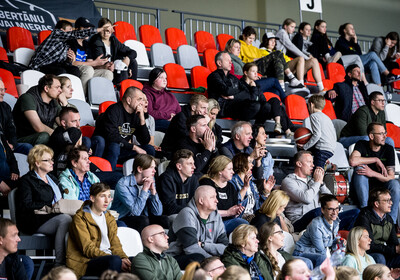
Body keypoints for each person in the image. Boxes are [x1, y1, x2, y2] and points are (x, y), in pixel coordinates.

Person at [16, 144, 72, 266]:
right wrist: (49, 205)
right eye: (47, 160)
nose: (52, 162)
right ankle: (60, 263)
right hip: (34, 220)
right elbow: (26, 205)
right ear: (37, 163)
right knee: (66, 219)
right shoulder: (26, 181)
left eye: (52, 159)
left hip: (53, 215)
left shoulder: (52, 179)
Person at [66, 183, 130, 278]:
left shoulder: (109, 218)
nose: (107, 201)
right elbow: (87, 249)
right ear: (92, 198)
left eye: (109, 196)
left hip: (109, 257)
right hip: (87, 262)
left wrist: (124, 258)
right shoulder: (80, 218)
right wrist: (115, 258)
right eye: (102, 196)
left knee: (136, 261)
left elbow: (115, 243)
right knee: (115, 260)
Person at [167, 185, 229, 269]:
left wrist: (204, 245)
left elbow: (225, 247)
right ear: (201, 201)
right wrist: (214, 262)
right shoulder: (186, 214)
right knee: (197, 259)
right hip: (177, 258)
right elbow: (191, 248)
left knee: (230, 258)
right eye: (212, 197)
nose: (217, 201)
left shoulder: (216, 216)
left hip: (208, 256)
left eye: (216, 197)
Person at [92, 86, 153, 170]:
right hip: (107, 150)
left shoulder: (136, 115)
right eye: (139, 99)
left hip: (123, 150)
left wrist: (142, 119)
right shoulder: (113, 110)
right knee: (115, 146)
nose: (142, 103)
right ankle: (110, 176)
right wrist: (134, 147)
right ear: (129, 100)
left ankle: (142, 178)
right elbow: (112, 137)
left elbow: (145, 140)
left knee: (149, 149)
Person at [349, 122, 400, 222]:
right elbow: (353, 161)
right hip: (364, 186)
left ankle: (391, 224)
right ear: (371, 136)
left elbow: (391, 177)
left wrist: (372, 173)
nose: (384, 136)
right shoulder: (361, 144)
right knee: (360, 170)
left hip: (382, 186)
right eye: (381, 134)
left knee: (395, 184)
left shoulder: (388, 149)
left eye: (385, 133)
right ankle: (366, 215)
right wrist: (376, 159)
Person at [207, 51, 272, 124]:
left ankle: (258, 127)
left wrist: (234, 96)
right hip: (222, 108)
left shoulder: (233, 77)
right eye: (227, 60)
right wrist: (238, 91)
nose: (230, 62)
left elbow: (247, 93)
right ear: (219, 63)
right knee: (255, 105)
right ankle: (244, 128)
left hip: (236, 104)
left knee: (266, 106)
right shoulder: (213, 76)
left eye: (231, 60)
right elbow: (226, 91)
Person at [29, 19, 109, 76]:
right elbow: (75, 34)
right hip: (39, 66)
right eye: (70, 29)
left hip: (53, 66)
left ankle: (75, 95)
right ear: (61, 30)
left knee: (74, 70)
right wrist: (101, 29)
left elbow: (64, 62)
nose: (71, 32)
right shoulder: (56, 34)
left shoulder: (67, 44)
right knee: (61, 71)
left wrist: (70, 60)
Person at [111, 154, 167, 233]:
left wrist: (153, 192)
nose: (154, 171)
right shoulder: (123, 184)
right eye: (151, 168)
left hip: (143, 217)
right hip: (123, 218)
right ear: (140, 169)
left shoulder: (150, 179)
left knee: (164, 219)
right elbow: (136, 212)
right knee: (143, 220)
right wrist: (145, 189)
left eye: (154, 168)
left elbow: (158, 212)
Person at [239, 27, 304, 91]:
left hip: (259, 66)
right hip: (250, 65)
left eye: (253, 39)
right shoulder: (239, 45)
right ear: (244, 36)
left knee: (278, 58)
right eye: (250, 38)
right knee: (277, 53)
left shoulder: (254, 48)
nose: (252, 40)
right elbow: (240, 61)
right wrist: (255, 59)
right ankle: (291, 78)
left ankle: (282, 87)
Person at [334, 23, 399, 86]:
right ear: (345, 30)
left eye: (353, 28)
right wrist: (354, 47)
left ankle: (378, 87)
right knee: (372, 54)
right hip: (348, 64)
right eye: (351, 28)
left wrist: (356, 42)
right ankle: (388, 74)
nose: (353, 29)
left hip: (357, 62)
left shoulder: (352, 42)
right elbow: (351, 54)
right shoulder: (340, 41)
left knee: (373, 63)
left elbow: (359, 54)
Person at [280, 151, 330, 232]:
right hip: (298, 222)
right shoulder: (288, 181)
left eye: (313, 162)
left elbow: (331, 200)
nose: (313, 165)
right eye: (309, 162)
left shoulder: (313, 180)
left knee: (355, 213)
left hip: (317, 218)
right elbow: (306, 199)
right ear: (299, 164)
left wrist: (321, 183)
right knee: (318, 212)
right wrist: (317, 182)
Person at [199, 155, 248, 235]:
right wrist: (227, 212)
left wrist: (237, 211)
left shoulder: (231, 186)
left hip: (227, 223)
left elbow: (233, 212)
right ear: (220, 171)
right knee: (241, 223)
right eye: (229, 169)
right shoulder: (206, 183)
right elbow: (205, 211)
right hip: (210, 223)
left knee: (243, 225)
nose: (233, 172)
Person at [241, 62, 294, 135]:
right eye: (253, 71)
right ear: (246, 73)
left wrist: (255, 87)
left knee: (275, 102)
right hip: (250, 111)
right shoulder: (241, 85)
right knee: (275, 107)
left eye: (256, 72)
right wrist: (253, 88)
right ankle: (288, 130)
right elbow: (251, 101)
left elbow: (263, 100)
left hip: (261, 110)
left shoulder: (256, 85)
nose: (256, 74)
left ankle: (280, 125)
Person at [354, 187, 400, 267]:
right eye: (387, 201)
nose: (391, 203)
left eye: (390, 200)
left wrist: (397, 249)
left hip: (384, 252)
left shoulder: (388, 219)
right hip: (367, 253)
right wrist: (394, 249)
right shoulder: (364, 217)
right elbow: (370, 245)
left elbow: (394, 243)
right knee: (380, 258)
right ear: (376, 204)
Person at [275, 18, 324, 92]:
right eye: (292, 27)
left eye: (294, 27)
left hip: (287, 65)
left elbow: (298, 49)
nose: (294, 29)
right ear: (285, 26)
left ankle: (321, 89)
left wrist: (308, 56)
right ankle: (300, 84)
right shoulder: (282, 32)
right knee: (300, 58)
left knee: (314, 60)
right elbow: (291, 47)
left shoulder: (288, 35)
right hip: (281, 66)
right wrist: (306, 57)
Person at [66, 17, 113, 93]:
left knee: (107, 73)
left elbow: (90, 63)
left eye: (89, 28)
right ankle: (82, 97)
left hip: (86, 70)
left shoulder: (86, 44)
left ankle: (99, 100)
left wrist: (103, 66)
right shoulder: (71, 42)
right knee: (88, 69)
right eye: (85, 27)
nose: (88, 30)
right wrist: (94, 63)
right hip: (74, 69)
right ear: (77, 28)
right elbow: (73, 63)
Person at [293, 195, 341, 267]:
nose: (335, 212)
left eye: (337, 208)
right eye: (331, 209)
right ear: (322, 210)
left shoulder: (336, 221)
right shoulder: (316, 225)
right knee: (323, 258)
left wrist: (338, 240)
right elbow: (320, 250)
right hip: (302, 252)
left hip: (317, 252)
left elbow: (330, 241)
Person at [12, 74, 62, 145]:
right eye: (57, 87)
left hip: (42, 139)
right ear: (46, 88)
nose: (60, 90)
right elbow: (39, 128)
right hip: (22, 139)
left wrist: (65, 103)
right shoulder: (27, 98)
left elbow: (63, 122)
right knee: (44, 136)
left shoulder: (54, 103)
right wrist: (60, 137)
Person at [89, 17, 138, 83]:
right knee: (120, 67)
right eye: (104, 29)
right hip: (102, 67)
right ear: (100, 30)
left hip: (114, 67)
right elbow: (102, 62)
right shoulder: (96, 41)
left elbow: (133, 52)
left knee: (132, 61)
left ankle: (133, 87)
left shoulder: (113, 40)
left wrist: (128, 59)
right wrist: (124, 67)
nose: (106, 32)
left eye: (108, 29)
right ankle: (123, 89)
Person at [231, 152, 275, 222]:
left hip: (253, 215)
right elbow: (234, 203)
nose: (252, 165)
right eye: (250, 162)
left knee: (274, 216)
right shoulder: (232, 182)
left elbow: (259, 207)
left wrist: (266, 192)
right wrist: (245, 188)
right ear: (242, 163)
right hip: (241, 217)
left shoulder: (251, 183)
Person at [157, 149, 199, 216]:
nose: (194, 167)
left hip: (190, 215)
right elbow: (169, 208)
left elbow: (197, 202)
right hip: (170, 216)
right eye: (190, 164)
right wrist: (193, 210)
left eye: (193, 163)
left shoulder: (193, 179)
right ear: (179, 166)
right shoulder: (166, 179)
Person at [299, 95, 337, 168]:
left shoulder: (314, 116)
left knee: (317, 173)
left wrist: (305, 147)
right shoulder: (327, 117)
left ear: (311, 104)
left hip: (322, 149)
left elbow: (317, 135)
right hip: (330, 149)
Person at [142, 67, 181, 132]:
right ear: (154, 79)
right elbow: (149, 113)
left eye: (165, 78)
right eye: (161, 77)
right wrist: (168, 116)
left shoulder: (170, 95)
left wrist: (175, 118)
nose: (164, 80)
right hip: (155, 122)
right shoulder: (146, 93)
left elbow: (179, 112)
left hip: (172, 121)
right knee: (176, 127)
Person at [0, 79, 32, 155]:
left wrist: (12, 144)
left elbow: (11, 129)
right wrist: (3, 144)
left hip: (7, 144)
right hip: (1, 144)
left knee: (28, 147)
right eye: (0, 90)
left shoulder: (6, 107)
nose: (3, 93)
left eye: (4, 89)